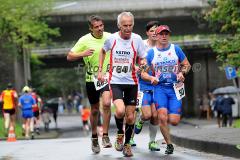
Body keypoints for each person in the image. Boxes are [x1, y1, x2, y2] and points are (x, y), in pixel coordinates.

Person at [98, 11, 146, 157]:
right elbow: (102, 51)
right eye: (125, 25)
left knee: (130, 117)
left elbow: (142, 58)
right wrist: (100, 71)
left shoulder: (137, 39)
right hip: (115, 81)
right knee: (119, 111)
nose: (128, 28)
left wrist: (142, 66)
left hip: (132, 82)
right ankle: (120, 133)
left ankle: (127, 145)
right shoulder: (112, 38)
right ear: (119, 25)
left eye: (130, 25)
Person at [141, 25, 191, 154]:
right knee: (162, 117)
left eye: (166, 34)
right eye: (161, 34)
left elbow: (187, 65)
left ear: (169, 35)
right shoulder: (151, 53)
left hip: (175, 88)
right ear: (156, 36)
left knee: (174, 121)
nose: (164, 36)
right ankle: (169, 144)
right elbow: (143, 73)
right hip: (160, 89)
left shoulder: (176, 49)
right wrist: (151, 78)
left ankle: (167, 125)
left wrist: (182, 73)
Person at [67, 15, 112, 154]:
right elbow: (69, 56)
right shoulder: (84, 40)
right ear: (91, 28)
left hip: (106, 76)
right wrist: (83, 53)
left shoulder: (110, 37)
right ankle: (94, 137)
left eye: (101, 26)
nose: (100, 29)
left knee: (106, 103)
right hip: (91, 78)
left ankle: (105, 135)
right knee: (94, 110)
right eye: (96, 27)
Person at [134, 21, 160, 151]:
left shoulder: (164, 47)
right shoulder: (141, 45)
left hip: (157, 85)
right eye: (152, 31)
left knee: (155, 115)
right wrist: (137, 68)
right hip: (142, 84)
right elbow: (131, 60)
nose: (154, 33)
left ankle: (152, 142)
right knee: (147, 115)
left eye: (157, 30)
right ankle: (140, 120)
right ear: (147, 33)